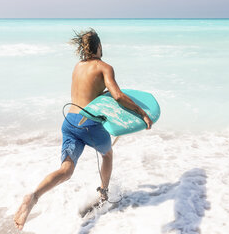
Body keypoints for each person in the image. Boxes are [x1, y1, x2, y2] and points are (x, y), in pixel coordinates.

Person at [13, 28, 153, 230]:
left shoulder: (77, 66)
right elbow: (118, 96)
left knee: (66, 170)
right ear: (99, 46)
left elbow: (88, 94)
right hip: (88, 124)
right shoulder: (105, 67)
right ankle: (103, 193)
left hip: (69, 121)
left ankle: (33, 196)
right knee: (108, 155)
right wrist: (142, 112)